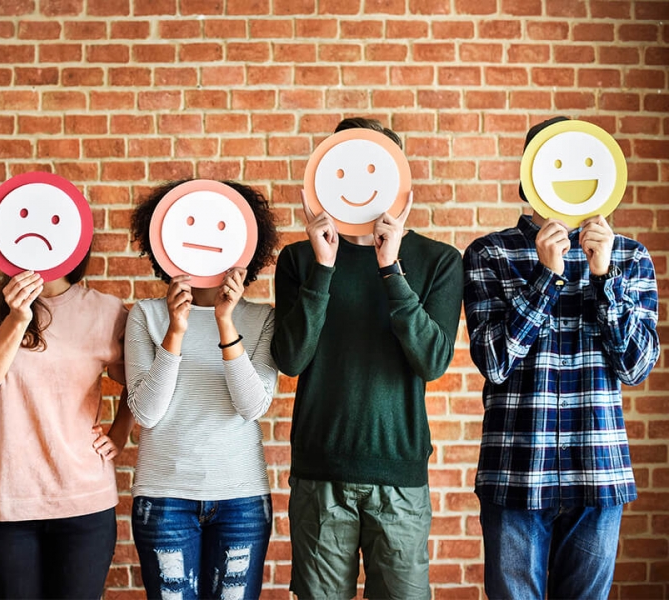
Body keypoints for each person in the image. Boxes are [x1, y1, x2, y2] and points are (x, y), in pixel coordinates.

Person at [463, 116, 660, 600]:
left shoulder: (630, 258)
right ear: (527, 176)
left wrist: (603, 276)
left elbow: (635, 368)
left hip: (598, 468)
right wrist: (547, 278)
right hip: (515, 470)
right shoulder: (490, 254)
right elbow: (493, 362)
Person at [272, 118, 464, 599]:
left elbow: (433, 361)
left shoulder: (438, 261)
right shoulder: (298, 261)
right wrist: (324, 267)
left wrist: (390, 267)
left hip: (399, 478)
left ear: (399, 181)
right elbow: (290, 359)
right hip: (320, 478)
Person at [125, 179, 279, 600]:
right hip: (164, 500)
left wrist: (225, 323)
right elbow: (147, 413)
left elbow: (252, 406)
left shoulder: (261, 318)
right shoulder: (147, 315)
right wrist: (177, 329)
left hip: (241, 500)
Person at [0, 251, 132, 599]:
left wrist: (120, 432)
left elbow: (142, 381)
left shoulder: (105, 310)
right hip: (7, 503)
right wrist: (17, 319)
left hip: (84, 502)